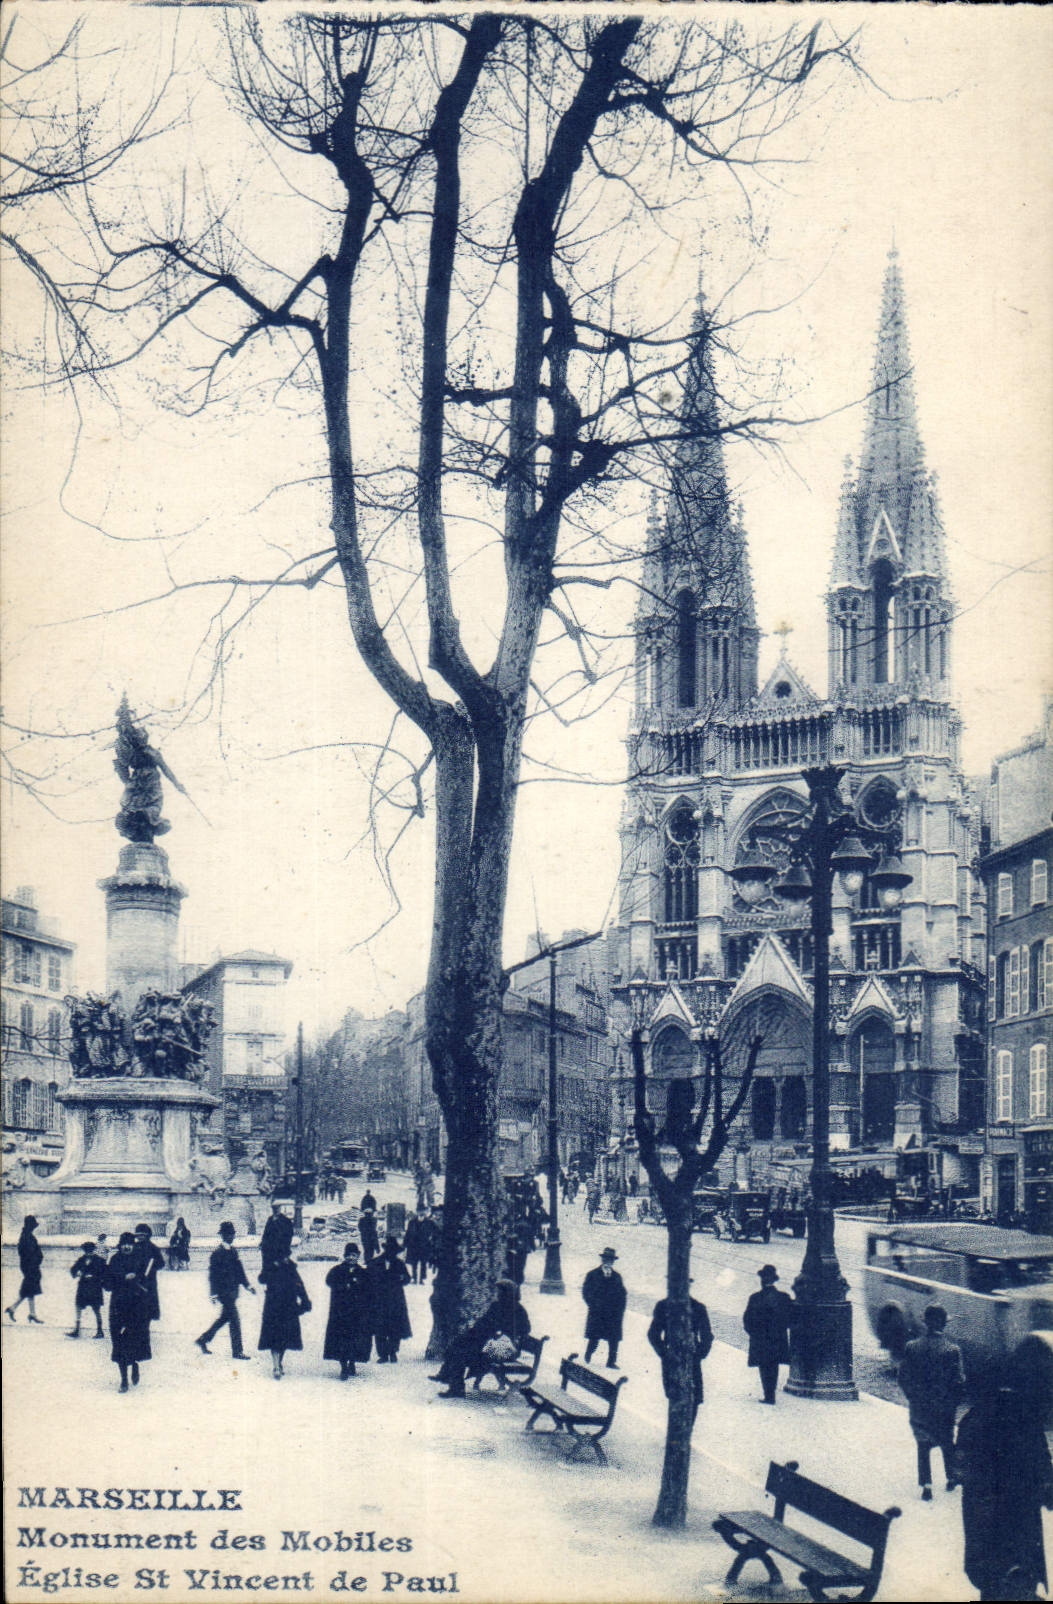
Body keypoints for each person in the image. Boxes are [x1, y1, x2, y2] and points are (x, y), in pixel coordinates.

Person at [958, 1382, 1053, 1600]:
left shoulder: (974, 1419)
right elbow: (1044, 1466)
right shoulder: (1026, 1420)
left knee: (992, 1577)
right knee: (1019, 1573)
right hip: (1021, 1519)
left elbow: (960, 1467)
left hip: (985, 1515)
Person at [897, 1303, 965, 1501]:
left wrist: (913, 1397)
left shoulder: (912, 1347)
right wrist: (952, 1403)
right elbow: (959, 1382)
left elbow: (903, 1377)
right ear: (944, 1324)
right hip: (944, 1407)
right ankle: (951, 1477)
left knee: (923, 1444)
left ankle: (926, 1485)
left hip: (919, 1406)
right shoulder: (952, 1350)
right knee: (946, 1440)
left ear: (925, 1323)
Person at [431, 1279, 530, 1399]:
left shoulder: (517, 1310)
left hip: (503, 1348)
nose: (497, 1294)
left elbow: (525, 1329)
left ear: (507, 1293)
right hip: (489, 1343)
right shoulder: (497, 1305)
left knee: (460, 1353)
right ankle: (448, 1376)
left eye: (500, 1291)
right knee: (458, 1343)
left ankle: (456, 1387)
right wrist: (473, 1332)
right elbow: (484, 1322)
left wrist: (504, 1332)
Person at [648, 1284, 713, 1426]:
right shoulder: (663, 1306)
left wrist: (698, 1355)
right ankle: (677, 1436)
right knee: (675, 1395)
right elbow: (653, 1333)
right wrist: (664, 1354)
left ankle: (687, 1433)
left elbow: (707, 1336)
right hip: (671, 1360)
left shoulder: (698, 1308)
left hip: (692, 1360)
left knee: (694, 1398)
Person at [196, 1222, 255, 1359]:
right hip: (224, 1293)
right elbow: (213, 1275)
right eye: (228, 1234)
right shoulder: (217, 1254)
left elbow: (239, 1271)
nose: (231, 1236)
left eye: (232, 1234)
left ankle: (203, 1340)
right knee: (235, 1321)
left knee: (224, 1319)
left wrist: (248, 1285)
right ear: (223, 1235)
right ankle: (237, 1351)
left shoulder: (233, 1251)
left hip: (233, 1292)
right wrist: (213, 1293)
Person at [103, 1232, 152, 1392]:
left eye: (129, 1244)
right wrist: (123, 1277)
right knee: (119, 1342)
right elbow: (108, 1284)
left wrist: (137, 1278)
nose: (126, 1246)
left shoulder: (140, 1259)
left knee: (134, 1341)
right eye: (124, 1244)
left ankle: (135, 1364)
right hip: (118, 1307)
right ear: (120, 1245)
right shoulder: (115, 1260)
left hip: (136, 1307)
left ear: (133, 1245)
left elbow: (147, 1282)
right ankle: (123, 1379)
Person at [743, 1264, 795, 1405]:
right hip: (778, 1339)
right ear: (774, 1280)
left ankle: (768, 1395)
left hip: (760, 1340)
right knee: (774, 1365)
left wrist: (754, 1334)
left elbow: (747, 1320)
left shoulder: (755, 1298)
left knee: (764, 1366)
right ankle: (770, 1395)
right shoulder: (783, 1297)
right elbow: (792, 1318)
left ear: (761, 1280)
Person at [323, 1242, 373, 1379]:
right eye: (349, 1256)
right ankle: (343, 1366)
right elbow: (329, 1281)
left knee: (355, 1339)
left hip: (358, 1313)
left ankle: (352, 1362)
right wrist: (343, 1285)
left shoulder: (363, 1273)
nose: (351, 1258)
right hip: (340, 1312)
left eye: (354, 1255)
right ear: (345, 1256)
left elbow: (369, 1290)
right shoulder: (337, 1270)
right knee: (341, 1339)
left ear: (358, 1256)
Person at [258, 1253, 311, 1379]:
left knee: (285, 1338)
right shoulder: (271, 1265)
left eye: (286, 1255)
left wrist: (305, 1300)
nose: (284, 1258)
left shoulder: (291, 1267)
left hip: (288, 1307)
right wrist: (271, 1267)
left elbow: (299, 1285)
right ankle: (276, 1366)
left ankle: (279, 1362)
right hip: (273, 1307)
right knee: (274, 1337)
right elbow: (261, 1279)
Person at [369, 1237, 412, 1363]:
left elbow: (408, 1278)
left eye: (394, 1251)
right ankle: (382, 1354)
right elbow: (369, 1279)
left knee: (395, 1327)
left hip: (395, 1300)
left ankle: (393, 1352)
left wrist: (402, 1279)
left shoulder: (399, 1264)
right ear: (385, 1250)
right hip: (379, 1300)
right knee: (379, 1327)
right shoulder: (375, 1262)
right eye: (389, 1250)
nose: (391, 1253)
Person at [582, 1247, 626, 1368]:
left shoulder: (617, 1277)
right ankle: (588, 1355)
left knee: (614, 1340)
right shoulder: (592, 1275)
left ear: (613, 1262)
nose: (608, 1262)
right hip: (597, 1313)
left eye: (611, 1260)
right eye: (606, 1259)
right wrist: (593, 1304)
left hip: (613, 1314)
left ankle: (611, 1361)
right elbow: (586, 1292)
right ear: (602, 1260)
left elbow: (622, 1295)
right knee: (594, 1338)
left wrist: (620, 1311)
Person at [7, 1215, 44, 1324]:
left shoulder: (26, 1236)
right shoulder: (27, 1237)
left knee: (29, 1289)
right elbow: (30, 1254)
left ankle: (23, 1311)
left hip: (29, 1267)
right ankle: (20, 1310)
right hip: (30, 1267)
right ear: (30, 1226)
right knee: (29, 1289)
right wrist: (35, 1262)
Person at [67, 1240, 106, 1338]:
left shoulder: (99, 1260)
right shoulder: (81, 1259)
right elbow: (73, 1270)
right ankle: (77, 1329)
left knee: (96, 1309)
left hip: (94, 1287)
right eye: (86, 1250)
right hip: (83, 1287)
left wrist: (94, 1277)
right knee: (78, 1306)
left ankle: (100, 1330)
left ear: (93, 1250)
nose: (88, 1252)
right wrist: (77, 1273)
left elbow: (104, 1273)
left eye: (90, 1250)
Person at [133, 1223, 165, 1328]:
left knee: (147, 1306)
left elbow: (161, 1263)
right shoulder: (134, 1247)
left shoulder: (153, 1248)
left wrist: (152, 1267)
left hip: (148, 1281)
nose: (139, 1237)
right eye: (138, 1235)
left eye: (142, 1235)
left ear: (147, 1235)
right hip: (136, 1279)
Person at [260, 1200, 295, 1271]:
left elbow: (289, 1236)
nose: (275, 1210)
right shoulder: (270, 1219)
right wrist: (263, 1243)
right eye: (274, 1208)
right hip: (269, 1250)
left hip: (281, 1249)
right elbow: (266, 1233)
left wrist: (285, 1249)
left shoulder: (286, 1221)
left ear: (280, 1208)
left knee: (281, 1269)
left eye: (277, 1208)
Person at [403, 1212, 427, 1285]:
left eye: (422, 1215)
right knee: (414, 1263)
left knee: (423, 1264)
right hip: (414, 1246)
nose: (421, 1217)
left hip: (424, 1246)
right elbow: (408, 1233)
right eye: (420, 1215)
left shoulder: (428, 1223)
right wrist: (405, 1244)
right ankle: (414, 1278)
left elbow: (434, 1231)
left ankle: (421, 1279)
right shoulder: (412, 1222)